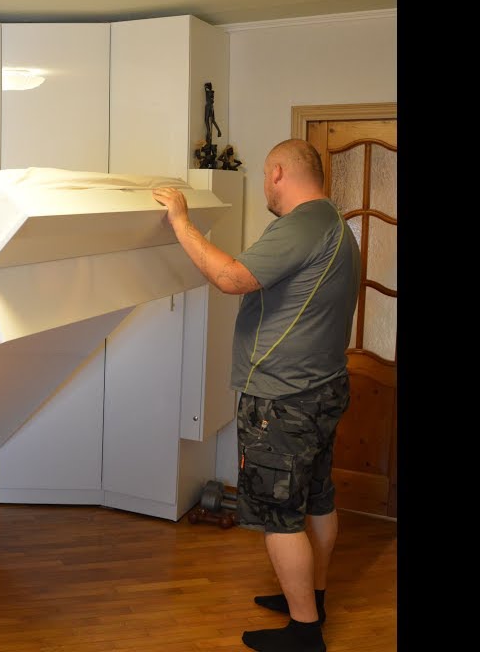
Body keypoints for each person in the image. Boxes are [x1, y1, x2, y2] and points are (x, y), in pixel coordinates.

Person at [152, 139, 360, 652]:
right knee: (317, 498)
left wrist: (181, 221)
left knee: (278, 517)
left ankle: (305, 632)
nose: (266, 186)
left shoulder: (300, 226)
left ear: (279, 172)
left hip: (283, 398)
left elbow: (231, 278)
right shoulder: (335, 223)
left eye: (267, 176)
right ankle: (311, 599)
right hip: (322, 387)